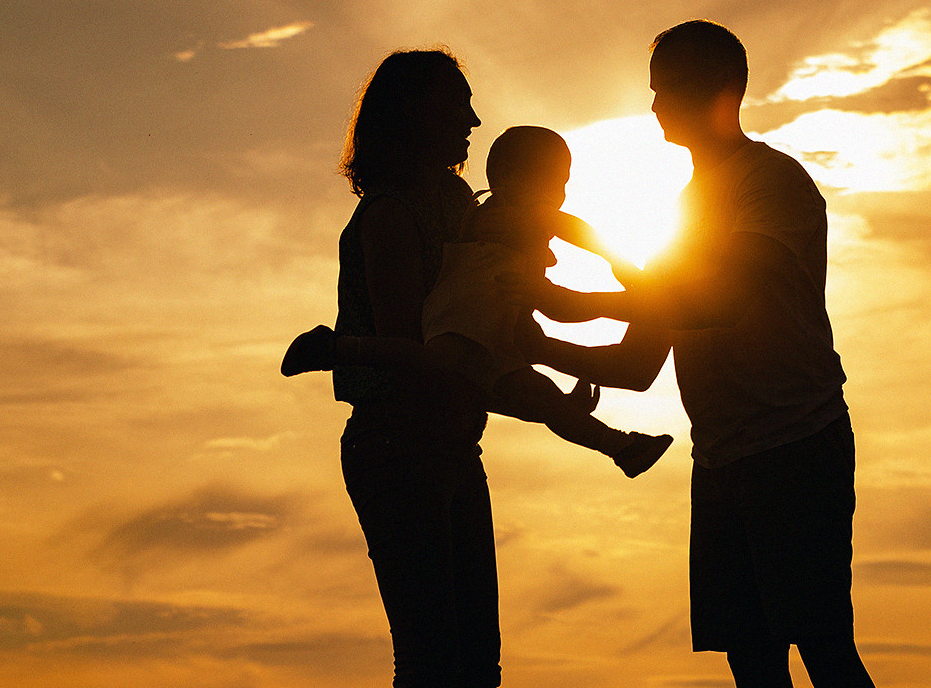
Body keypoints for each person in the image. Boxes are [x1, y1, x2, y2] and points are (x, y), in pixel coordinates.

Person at [507, 21, 916, 688]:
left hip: (796, 441)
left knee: (824, 647)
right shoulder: (685, 210)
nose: (653, 100)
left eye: (666, 84)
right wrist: (535, 332)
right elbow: (640, 359)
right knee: (752, 660)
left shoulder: (773, 185)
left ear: (715, 88)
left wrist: (576, 271)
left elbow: (717, 299)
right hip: (724, 455)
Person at [311, 48, 518, 688]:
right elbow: (416, 354)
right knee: (434, 665)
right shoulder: (393, 220)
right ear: (415, 117)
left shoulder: (451, 209)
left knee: (476, 669)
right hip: (401, 452)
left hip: (451, 448)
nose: (472, 122)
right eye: (458, 105)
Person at [282, 125, 672, 478]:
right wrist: (622, 264)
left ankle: (622, 447)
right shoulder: (512, 214)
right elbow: (575, 230)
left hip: (491, 323)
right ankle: (337, 347)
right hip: (469, 314)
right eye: (555, 180)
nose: (561, 193)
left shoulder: (488, 213)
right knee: (436, 363)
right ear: (514, 179)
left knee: (535, 396)